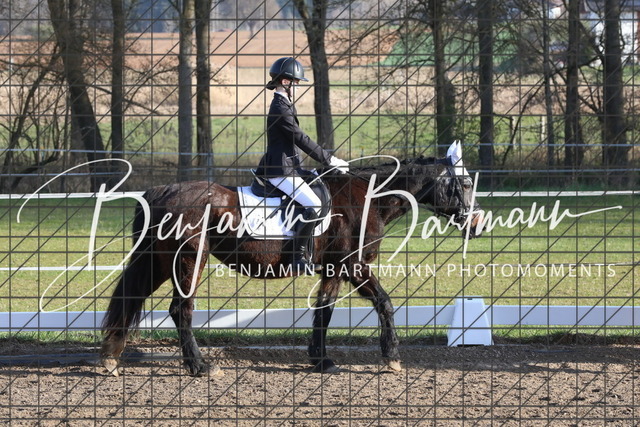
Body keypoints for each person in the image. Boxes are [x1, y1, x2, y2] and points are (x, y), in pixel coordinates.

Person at [255, 57, 349, 274]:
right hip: (280, 170)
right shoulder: (280, 108)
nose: (298, 87)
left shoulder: (285, 104)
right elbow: (300, 138)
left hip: (290, 167)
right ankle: (296, 258)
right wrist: (329, 159)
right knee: (313, 205)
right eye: (296, 82)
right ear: (285, 82)